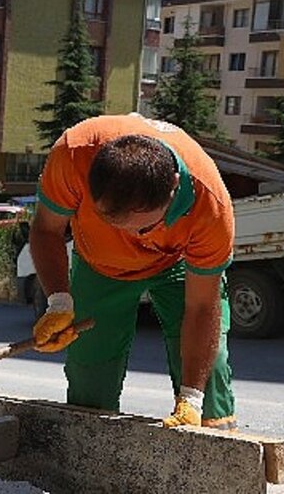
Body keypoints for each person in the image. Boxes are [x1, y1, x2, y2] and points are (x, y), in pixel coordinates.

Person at [30, 113, 236, 430]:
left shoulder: (210, 206)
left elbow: (201, 307)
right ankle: (87, 455)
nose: (128, 238)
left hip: (175, 263)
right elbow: (46, 230)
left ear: (174, 189)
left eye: (143, 228)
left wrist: (192, 398)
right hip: (99, 265)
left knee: (208, 376)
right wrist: (59, 303)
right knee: (90, 374)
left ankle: (219, 451)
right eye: (110, 223)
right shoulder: (74, 152)